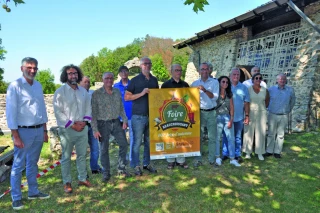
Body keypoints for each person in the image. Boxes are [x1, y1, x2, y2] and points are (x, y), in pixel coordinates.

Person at [6, 57, 50, 210]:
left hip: (38, 130)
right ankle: (16, 198)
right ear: (22, 68)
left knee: (33, 163)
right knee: (18, 166)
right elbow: (10, 113)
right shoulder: (15, 86)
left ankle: (33, 191)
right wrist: (15, 136)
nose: (32, 70)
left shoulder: (38, 86)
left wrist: (45, 130)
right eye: (29, 67)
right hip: (23, 132)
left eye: (35, 68)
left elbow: (42, 109)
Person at [53, 64, 92, 193]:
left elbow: (88, 107)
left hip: (82, 128)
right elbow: (58, 112)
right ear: (66, 76)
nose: (73, 75)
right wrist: (73, 124)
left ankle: (82, 178)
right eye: (70, 73)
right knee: (66, 157)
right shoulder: (60, 92)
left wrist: (85, 122)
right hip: (67, 130)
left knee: (81, 155)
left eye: (75, 73)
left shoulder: (83, 91)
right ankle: (67, 182)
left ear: (78, 75)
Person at [91, 72, 131, 182]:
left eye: (111, 78)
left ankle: (121, 168)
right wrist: (95, 129)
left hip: (116, 122)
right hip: (102, 124)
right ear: (103, 80)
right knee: (104, 149)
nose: (109, 80)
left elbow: (121, 108)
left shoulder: (117, 92)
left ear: (113, 80)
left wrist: (125, 120)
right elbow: (93, 113)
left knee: (123, 144)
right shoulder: (96, 94)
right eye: (107, 78)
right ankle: (106, 172)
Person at [125, 57, 159, 176]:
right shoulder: (134, 80)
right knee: (137, 142)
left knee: (149, 141)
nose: (147, 65)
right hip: (138, 116)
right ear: (140, 66)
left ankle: (146, 163)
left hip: (151, 116)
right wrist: (142, 93)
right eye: (145, 64)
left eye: (149, 63)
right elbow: (127, 97)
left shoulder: (154, 80)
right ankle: (136, 165)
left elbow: (157, 97)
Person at [161, 64, 189, 169]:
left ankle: (181, 160)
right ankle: (171, 160)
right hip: (170, 114)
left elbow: (188, 99)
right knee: (170, 137)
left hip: (181, 114)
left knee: (181, 136)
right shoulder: (165, 85)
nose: (178, 72)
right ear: (171, 71)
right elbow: (162, 101)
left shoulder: (185, 85)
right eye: (176, 70)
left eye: (180, 70)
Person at [191, 62, 219, 167]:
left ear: (209, 70)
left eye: (206, 69)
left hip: (211, 112)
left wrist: (204, 90)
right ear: (199, 71)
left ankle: (212, 160)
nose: (204, 71)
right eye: (202, 69)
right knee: (199, 136)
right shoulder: (194, 84)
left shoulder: (214, 82)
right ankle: (198, 159)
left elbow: (215, 97)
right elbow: (189, 98)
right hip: (200, 113)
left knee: (212, 137)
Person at [222, 68, 250, 163]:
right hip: (226, 117)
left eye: (237, 75)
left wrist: (247, 116)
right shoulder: (225, 86)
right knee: (226, 136)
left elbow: (246, 103)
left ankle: (237, 154)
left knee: (237, 137)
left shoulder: (243, 88)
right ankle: (225, 153)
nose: (236, 76)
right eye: (234, 74)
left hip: (238, 117)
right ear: (230, 75)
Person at [266, 74, 295, 158]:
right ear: (277, 80)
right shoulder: (271, 89)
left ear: (286, 80)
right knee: (271, 133)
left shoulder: (290, 90)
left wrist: (288, 109)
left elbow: (293, 101)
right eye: (280, 79)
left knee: (281, 134)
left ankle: (277, 151)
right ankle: (269, 150)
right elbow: (266, 99)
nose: (282, 81)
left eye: (284, 79)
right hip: (272, 114)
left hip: (284, 115)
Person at [243, 73, 269, 161]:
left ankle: (260, 152)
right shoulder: (248, 89)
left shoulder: (265, 90)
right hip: (250, 112)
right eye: (256, 78)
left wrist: (262, 108)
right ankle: (247, 152)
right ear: (253, 80)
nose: (258, 79)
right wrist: (246, 114)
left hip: (261, 113)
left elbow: (267, 101)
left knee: (260, 133)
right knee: (248, 132)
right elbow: (246, 102)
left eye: (260, 78)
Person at [215, 76, 241, 167]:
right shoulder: (215, 93)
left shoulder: (229, 93)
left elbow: (232, 107)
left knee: (231, 138)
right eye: (223, 82)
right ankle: (217, 157)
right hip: (217, 117)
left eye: (226, 82)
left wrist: (231, 119)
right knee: (217, 138)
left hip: (227, 117)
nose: (225, 83)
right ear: (219, 82)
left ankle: (232, 159)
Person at [79, 76, 102, 174]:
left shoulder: (93, 93)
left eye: (88, 82)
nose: (87, 83)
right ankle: (83, 172)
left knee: (95, 149)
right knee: (82, 151)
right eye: (85, 82)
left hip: (92, 125)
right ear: (80, 83)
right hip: (82, 126)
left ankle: (94, 168)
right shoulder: (76, 94)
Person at [113, 66, 133, 161]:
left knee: (133, 138)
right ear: (119, 74)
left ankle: (132, 156)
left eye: (125, 71)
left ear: (128, 72)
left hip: (133, 115)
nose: (124, 73)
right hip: (121, 117)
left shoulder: (133, 84)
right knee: (122, 139)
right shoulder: (116, 86)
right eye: (121, 72)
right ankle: (123, 156)